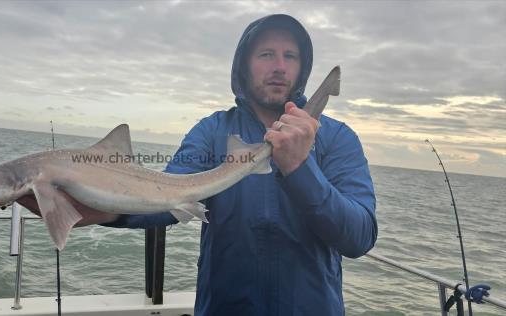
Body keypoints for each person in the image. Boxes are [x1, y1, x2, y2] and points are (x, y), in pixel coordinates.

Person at [19, 13, 377, 315]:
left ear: (302, 67)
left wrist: (300, 168)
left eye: (290, 56)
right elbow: (167, 197)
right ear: (244, 64)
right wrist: (104, 210)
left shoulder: (336, 138)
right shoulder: (212, 131)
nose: (279, 67)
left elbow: (359, 237)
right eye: (266, 54)